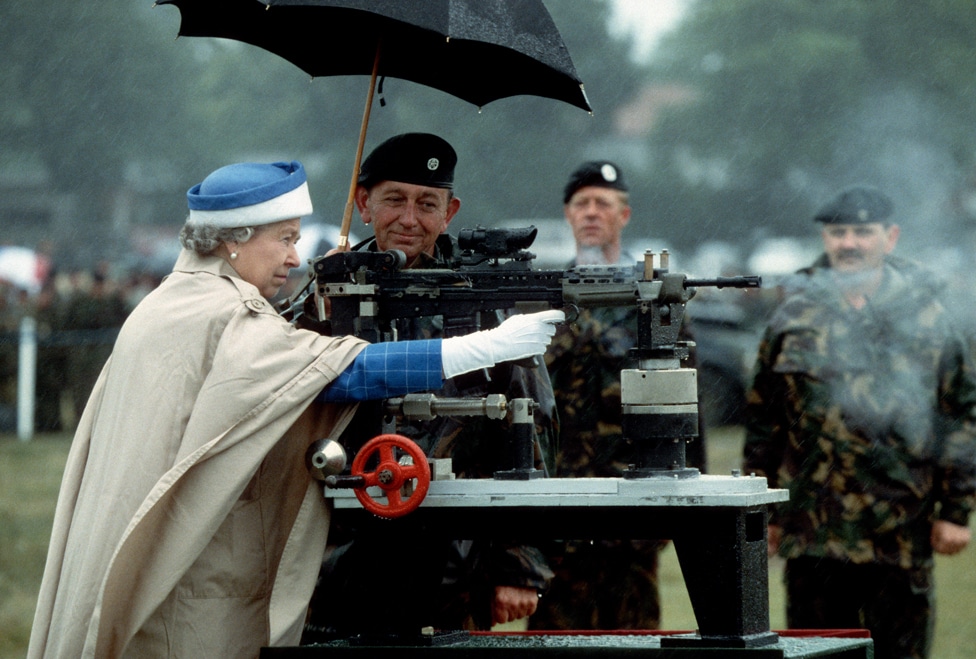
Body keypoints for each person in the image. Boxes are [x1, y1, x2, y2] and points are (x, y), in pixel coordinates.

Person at [27, 160, 562, 658]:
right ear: (234, 240)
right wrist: (482, 348)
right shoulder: (225, 313)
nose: (293, 256)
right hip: (194, 571)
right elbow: (339, 372)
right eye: (284, 238)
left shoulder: (175, 300)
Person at [307, 133, 558, 635]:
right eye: (394, 200)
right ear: (363, 204)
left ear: (449, 213)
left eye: (427, 204)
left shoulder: (479, 300)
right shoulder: (327, 294)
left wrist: (519, 565)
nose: (409, 219)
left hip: (453, 563)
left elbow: (532, 427)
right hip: (337, 558)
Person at [743, 185, 976, 659]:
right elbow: (765, 420)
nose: (849, 243)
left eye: (862, 232)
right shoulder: (794, 314)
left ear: (890, 237)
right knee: (816, 656)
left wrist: (955, 511)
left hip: (900, 531)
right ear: (825, 239)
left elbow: (959, 414)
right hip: (812, 535)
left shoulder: (928, 315)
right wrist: (761, 516)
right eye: (838, 232)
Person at [530, 161, 705, 631]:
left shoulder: (655, 301)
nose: (591, 212)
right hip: (558, 512)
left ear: (623, 215)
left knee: (636, 642)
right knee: (553, 642)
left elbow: (686, 409)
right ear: (568, 214)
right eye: (582, 203)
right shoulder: (544, 300)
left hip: (635, 511)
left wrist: (687, 502)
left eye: (603, 204)